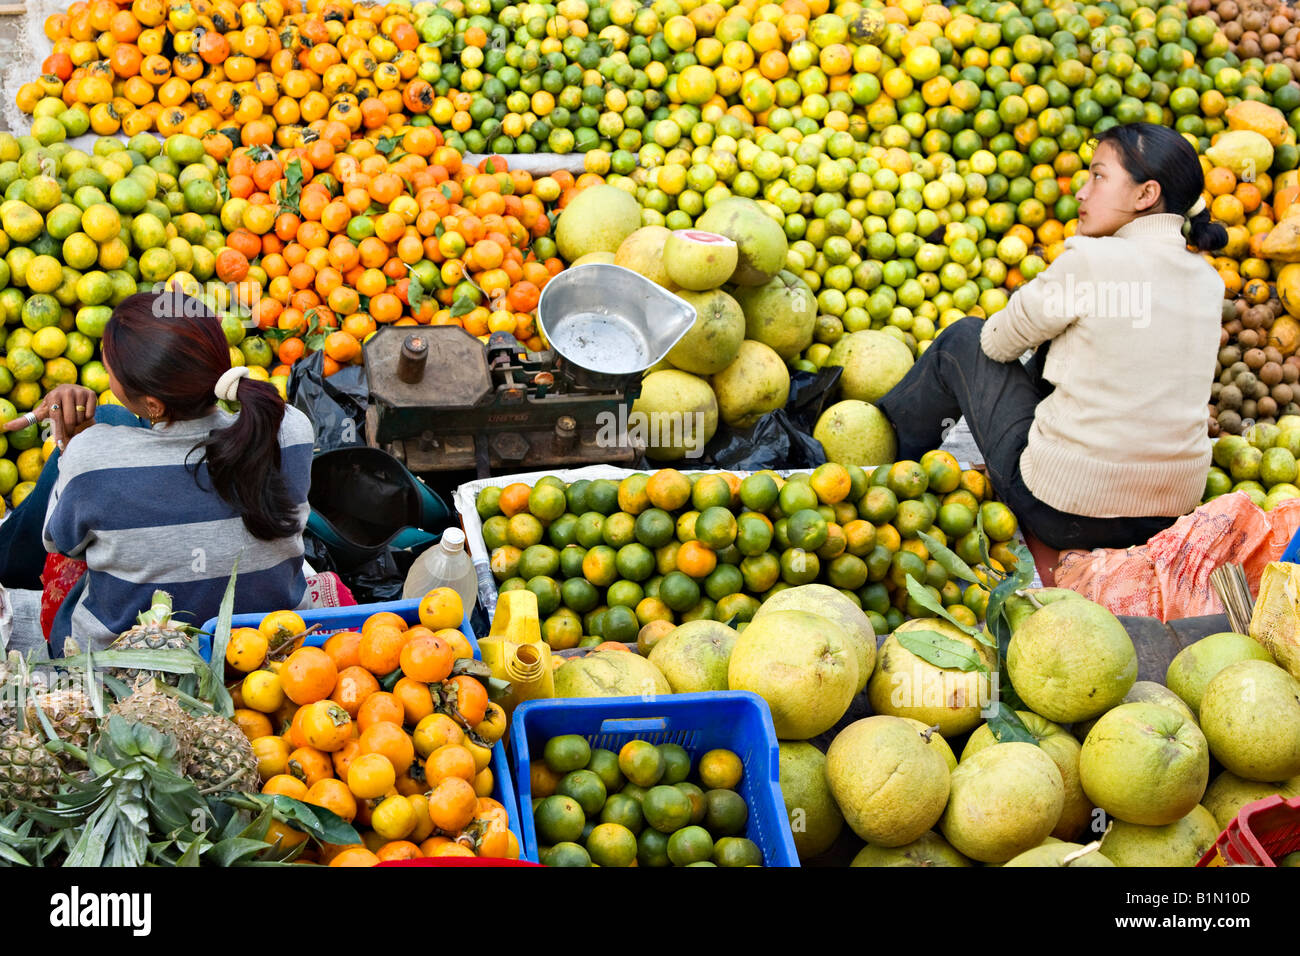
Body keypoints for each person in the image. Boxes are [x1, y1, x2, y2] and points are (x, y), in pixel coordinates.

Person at [876, 122, 1228, 552]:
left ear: (1145, 195)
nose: (1082, 192)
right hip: (1166, 518)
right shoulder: (1209, 281)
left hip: (1064, 512)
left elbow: (995, 343)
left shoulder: (1092, 260)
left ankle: (883, 463)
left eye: (1098, 176)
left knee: (963, 338)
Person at [0, 290, 315, 652]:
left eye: (109, 371)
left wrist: (73, 448)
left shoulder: (92, 459)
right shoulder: (290, 428)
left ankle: (5, 558)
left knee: (108, 422)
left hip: (129, 665)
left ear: (152, 405)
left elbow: (60, 544)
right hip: (271, 643)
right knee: (111, 419)